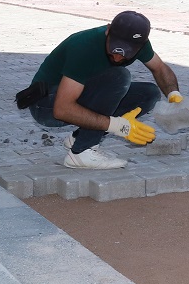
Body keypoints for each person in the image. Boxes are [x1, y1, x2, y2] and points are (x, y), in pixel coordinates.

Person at [17, 11, 180, 170]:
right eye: (115, 49)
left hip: (80, 95)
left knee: (148, 94)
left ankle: (78, 139)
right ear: (108, 30)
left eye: (126, 53)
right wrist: (118, 126)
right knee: (118, 77)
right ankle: (81, 152)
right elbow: (62, 110)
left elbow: (159, 68)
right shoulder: (84, 46)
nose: (117, 58)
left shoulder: (140, 44)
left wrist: (175, 96)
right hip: (47, 105)